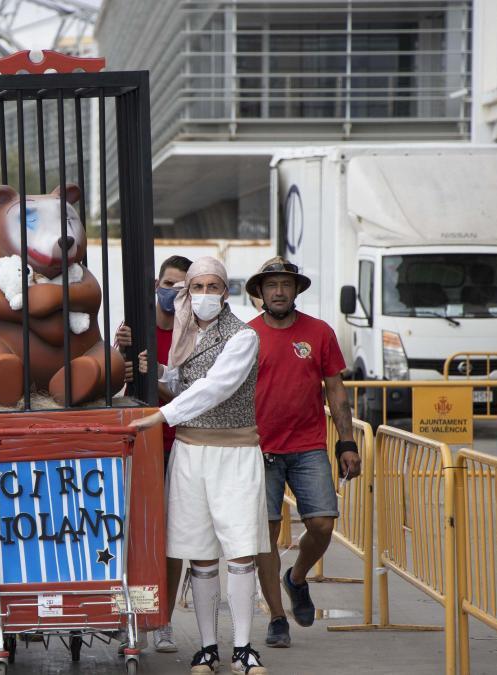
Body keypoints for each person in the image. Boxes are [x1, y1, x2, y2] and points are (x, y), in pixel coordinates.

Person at [130, 256, 269, 675]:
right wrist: (151, 371)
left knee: (241, 553)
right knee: (201, 555)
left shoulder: (243, 336)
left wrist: (161, 414)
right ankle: (208, 648)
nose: (205, 294)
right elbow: (184, 382)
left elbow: (216, 387)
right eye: (197, 287)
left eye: (213, 286)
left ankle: (244, 648)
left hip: (235, 454)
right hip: (191, 451)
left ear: (226, 292)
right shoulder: (184, 334)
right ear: (186, 292)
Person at [244, 257, 361, 648]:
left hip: (309, 446)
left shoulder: (320, 332)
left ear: (296, 291)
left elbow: (336, 391)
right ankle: (278, 618)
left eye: (286, 285)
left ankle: (296, 579)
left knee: (324, 524)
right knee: (266, 536)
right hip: (260, 451)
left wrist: (346, 441)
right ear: (259, 292)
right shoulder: (246, 336)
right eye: (271, 285)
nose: (279, 291)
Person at [113, 253, 191, 653]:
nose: (172, 292)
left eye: (181, 286)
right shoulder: (134, 330)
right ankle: (129, 614)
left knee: (171, 539)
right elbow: (114, 383)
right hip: (140, 446)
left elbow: (190, 395)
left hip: (180, 446)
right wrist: (119, 360)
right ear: (155, 286)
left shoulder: (193, 333)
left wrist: (152, 376)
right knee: (132, 534)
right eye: (168, 284)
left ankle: (162, 621)